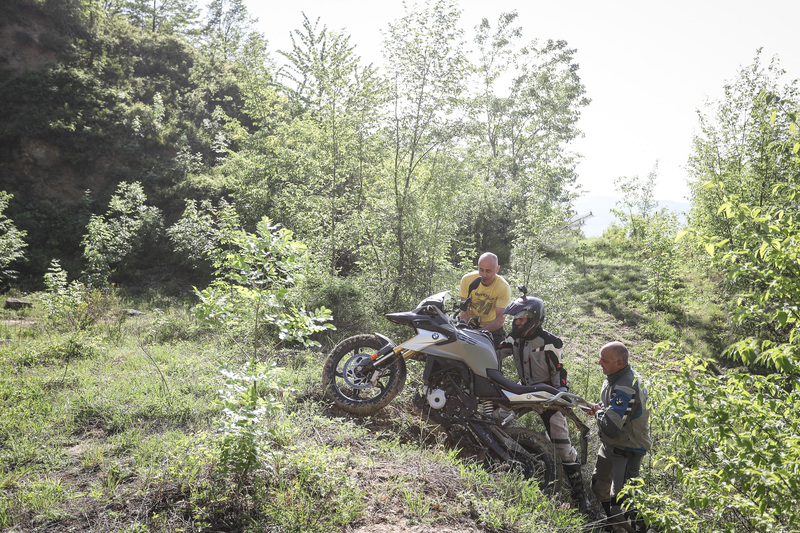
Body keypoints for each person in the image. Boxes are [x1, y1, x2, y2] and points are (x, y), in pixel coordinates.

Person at [498, 295, 598, 518]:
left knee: (563, 447)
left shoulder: (550, 341)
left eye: (522, 319)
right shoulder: (513, 339)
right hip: (521, 391)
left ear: (534, 317)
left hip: (547, 395)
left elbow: (559, 372)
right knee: (495, 419)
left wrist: (559, 395)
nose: (517, 323)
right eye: (515, 319)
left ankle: (580, 499)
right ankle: (498, 464)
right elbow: (494, 354)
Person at [588, 341, 653, 533]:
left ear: (619, 363)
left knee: (625, 506)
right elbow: (611, 407)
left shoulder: (627, 386)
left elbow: (612, 428)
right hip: (611, 446)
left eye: (604, 360)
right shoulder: (613, 375)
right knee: (599, 486)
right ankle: (614, 526)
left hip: (627, 449)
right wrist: (600, 409)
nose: (599, 363)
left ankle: (643, 530)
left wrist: (599, 413)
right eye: (600, 358)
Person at [458, 252, 512, 347]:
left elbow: (500, 319)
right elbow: (465, 309)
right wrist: (465, 328)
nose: (484, 275)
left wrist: (480, 332)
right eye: (481, 270)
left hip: (492, 326)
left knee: (496, 354)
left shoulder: (503, 287)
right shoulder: (468, 280)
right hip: (470, 323)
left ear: (497, 269)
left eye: (488, 271)